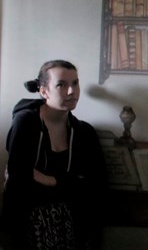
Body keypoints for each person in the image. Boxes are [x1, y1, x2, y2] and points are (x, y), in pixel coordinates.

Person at [0, 60, 108, 249]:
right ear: (44, 91)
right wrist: (72, 182)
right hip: (29, 223)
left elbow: (96, 184)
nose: (71, 91)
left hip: (75, 222)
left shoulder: (84, 132)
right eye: (61, 84)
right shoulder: (25, 123)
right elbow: (19, 182)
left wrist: (51, 180)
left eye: (75, 83)